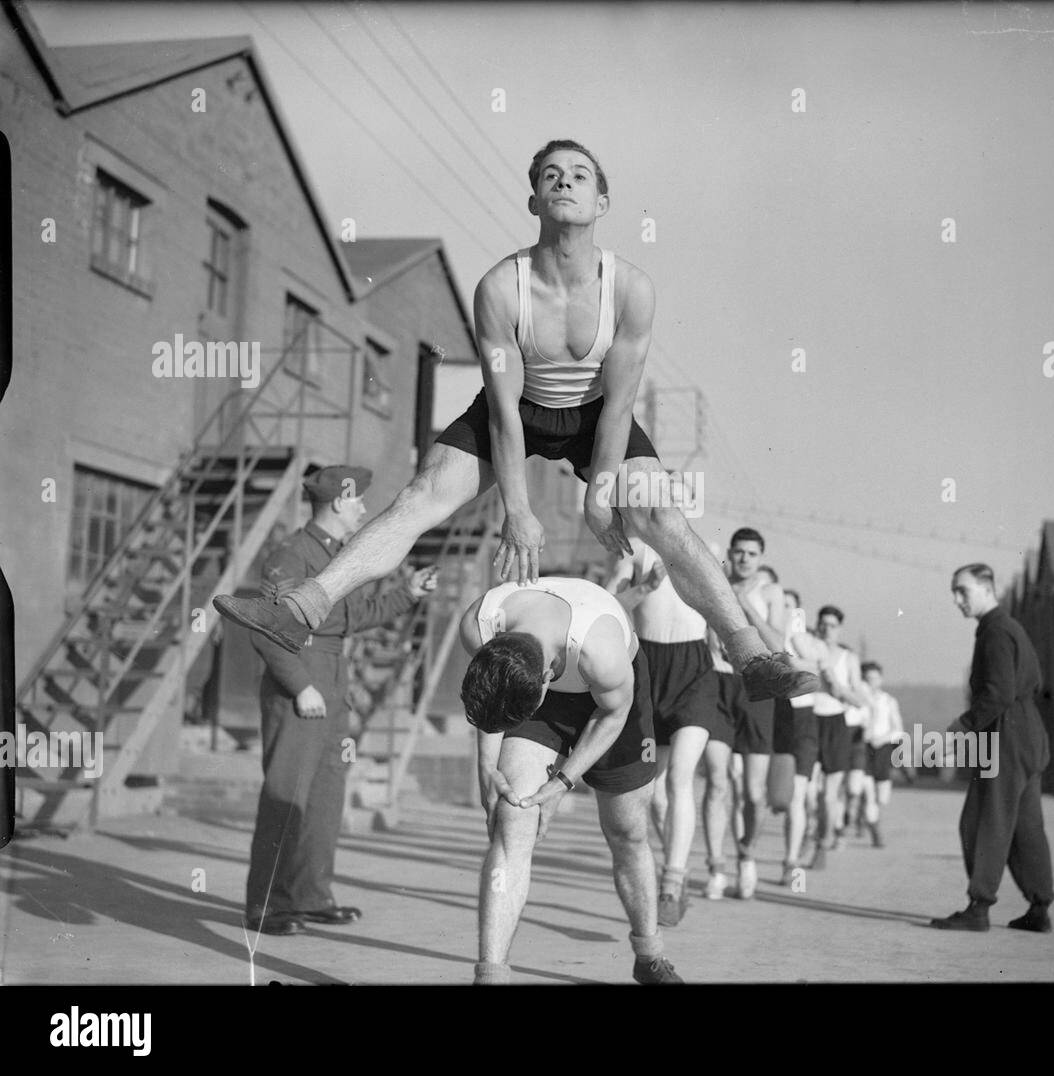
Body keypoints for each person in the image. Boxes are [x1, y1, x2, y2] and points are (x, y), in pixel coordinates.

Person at [214, 139, 817, 711]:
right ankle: (302, 608)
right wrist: (518, 512)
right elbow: (504, 412)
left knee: (663, 517)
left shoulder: (631, 289)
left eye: (579, 175)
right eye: (551, 175)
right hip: (518, 407)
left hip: (596, 414)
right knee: (420, 496)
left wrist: (599, 498)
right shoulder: (502, 287)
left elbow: (618, 403)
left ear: (601, 204)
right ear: (533, 201)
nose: (564, 181)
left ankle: (750, 652)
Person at [459, 573, 682, 983]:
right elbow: (493, 702)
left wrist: (561, 783)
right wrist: (487, 769)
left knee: (626, 831)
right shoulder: (479, 624)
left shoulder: (604, 655)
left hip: (615, 706)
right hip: (540, 693)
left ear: (547, 679)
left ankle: (648, 954)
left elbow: (611, 714)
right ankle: (491, 975)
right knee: (512, 819)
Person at [244, 466, 437, 936]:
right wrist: (299, 685)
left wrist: (406, 594)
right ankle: (267, 905)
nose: (365, 509)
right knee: (285, 795)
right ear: (336, 503)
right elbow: (268, 628)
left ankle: (310, 895)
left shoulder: (339, 555)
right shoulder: (292, 556)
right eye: (358, 501)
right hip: (302, 679)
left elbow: (355, 616)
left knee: (326, 798)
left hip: (332, 678)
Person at [931, 564, 1054, 933]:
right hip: (1029, 733)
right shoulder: (1010, 628)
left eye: (963, 591)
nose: (957, 600)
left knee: (982, 820)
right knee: (1026, 825)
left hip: (1006, 734)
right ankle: (1039, 907)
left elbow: (998, 693)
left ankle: (979, 907)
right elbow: (1032, 682)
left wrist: (962, 728)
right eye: (954, 591)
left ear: (987, 589)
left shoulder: (996, 632)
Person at [606, 535, 717, 926]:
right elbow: (610, 605)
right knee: (655, 796)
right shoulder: (634, 551)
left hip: (695, 672)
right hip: (650, 669)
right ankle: (677, 869)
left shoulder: (703, 548)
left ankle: (671, 881)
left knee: (680, 779)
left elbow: (724, 605)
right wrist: (646, 587)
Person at [705, 528, 787, 898]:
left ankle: (747, 856)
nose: (743, 559)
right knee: (718, 782)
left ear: (761, 557)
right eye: (738, 552)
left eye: (751, 554)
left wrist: (743, 604)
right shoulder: (713, 582)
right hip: (720, 685)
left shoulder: (771, 593)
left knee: (753, 793)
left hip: (758, 688)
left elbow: (779, 644)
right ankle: (716, 868)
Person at [807, 605, 869, 870]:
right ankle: (809, 834)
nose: (826, 629)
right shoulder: (806, 649)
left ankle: (824, 841)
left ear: (839, 628)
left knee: (829, 794)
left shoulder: (848, 657)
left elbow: (860, 699)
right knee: (808, 793)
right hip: (808, 719)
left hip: (835, 723)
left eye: (832, 625)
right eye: (822, 624)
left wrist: (838, 688)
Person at [769, 588, 822, 886]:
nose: (784, 610)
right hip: (770, 712)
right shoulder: (763, 629)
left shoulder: (799, 631)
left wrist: (790, 661)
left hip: (800, 718)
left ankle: (791, 863)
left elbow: (815, 668)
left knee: (796, 797)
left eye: (790, 606)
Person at [848, 661, 903, 847]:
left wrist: (884, 738)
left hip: (883, 749)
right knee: (868, 791)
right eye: (868, 678)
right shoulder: (858, 700)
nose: (872, 682)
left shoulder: (888, 701)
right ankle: (875, 830)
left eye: (875, 678)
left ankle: (867, 816)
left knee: (882, 797)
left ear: (881, 679)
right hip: (864, 748)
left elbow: (898, 729)